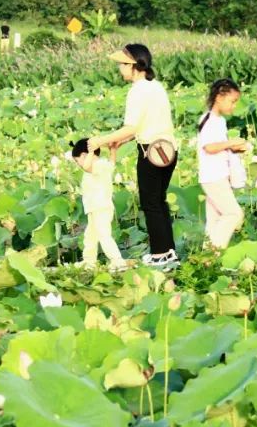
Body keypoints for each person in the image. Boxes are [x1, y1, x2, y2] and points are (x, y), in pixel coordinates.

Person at [90, 44, 178, 269]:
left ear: (134, 65)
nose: (120, 68)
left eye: (122, 64)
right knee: (159, 201)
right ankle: (168, 252)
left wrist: (100, 140)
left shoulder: (137, 90)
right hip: (168, 151)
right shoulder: (156, 87)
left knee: (150, 203)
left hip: (150, 152)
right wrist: (122, 140)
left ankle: (159, 254)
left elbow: (131, 127)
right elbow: (148, 124)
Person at [197, 79, 250, 250]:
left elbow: (217, 147)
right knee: (234, 214)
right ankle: (213, 250)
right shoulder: (209, 120)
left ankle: (207, 260)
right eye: (232, 101)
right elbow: (209, 147)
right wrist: (230, 143)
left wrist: (235, 149)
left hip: (218, 175)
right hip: (213, 177)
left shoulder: (219, 121)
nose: (234, 106)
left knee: (215, 218)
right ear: (219, 97)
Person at [70, 138, 127, 272]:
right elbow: (112, 164)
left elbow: (87, 166)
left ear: (84, 155)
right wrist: (113, 150)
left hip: (100, 207)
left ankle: (117, 261)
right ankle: (89, 261)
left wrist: (90, 151)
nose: (79, 165)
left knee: (103, 235)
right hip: (95, 208)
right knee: (90, 235)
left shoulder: (95, 166)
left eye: (78, 161)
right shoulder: (103, 164)